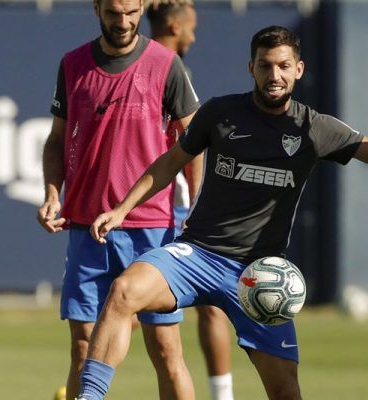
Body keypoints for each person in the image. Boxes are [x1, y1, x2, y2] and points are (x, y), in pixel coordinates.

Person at [72, 25, 368, 400]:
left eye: (284, 66)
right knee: (124, 291)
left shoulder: (314, 128)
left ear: (299, 69)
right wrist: (122, 209)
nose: (275, 75)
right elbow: (170, 162)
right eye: (266, 65)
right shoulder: (220, 113)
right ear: (251, 68)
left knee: (286, 391)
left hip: (260, 276)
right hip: (197, 254)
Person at [37, 0, 200, 398]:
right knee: (82, 348)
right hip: (86, 227)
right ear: (96, 8)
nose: (124, 21)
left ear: (142, 6)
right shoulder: (72, 64)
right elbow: (57, 141)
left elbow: (193, 145)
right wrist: (52, 194)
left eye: (131, 12)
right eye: (114, 12)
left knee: (164, 349)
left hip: (151, 229)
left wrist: (196, 209)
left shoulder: (166, 65)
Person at [147, 2, 236, 399]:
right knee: (206, 299)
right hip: (174, 205)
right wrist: (200, 202)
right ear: (174, 24)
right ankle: (223, 395)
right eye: (191, 28)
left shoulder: (140, 64)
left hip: (152, 205)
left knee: (134, 299)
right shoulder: (169, 68)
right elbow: (192, 144)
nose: (194, 37)